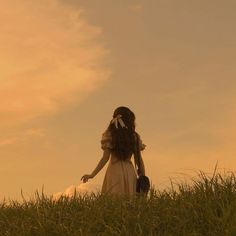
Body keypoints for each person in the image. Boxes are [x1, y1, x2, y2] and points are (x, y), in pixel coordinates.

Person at [81, 106, 146, 197]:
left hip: (114, 171)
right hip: (130, 172)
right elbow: (138, 161)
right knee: (130, 203)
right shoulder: (134, 136)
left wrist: (92, 174)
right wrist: (143, 178)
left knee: (114, 202)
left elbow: (105, 158)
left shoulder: (109, 134)